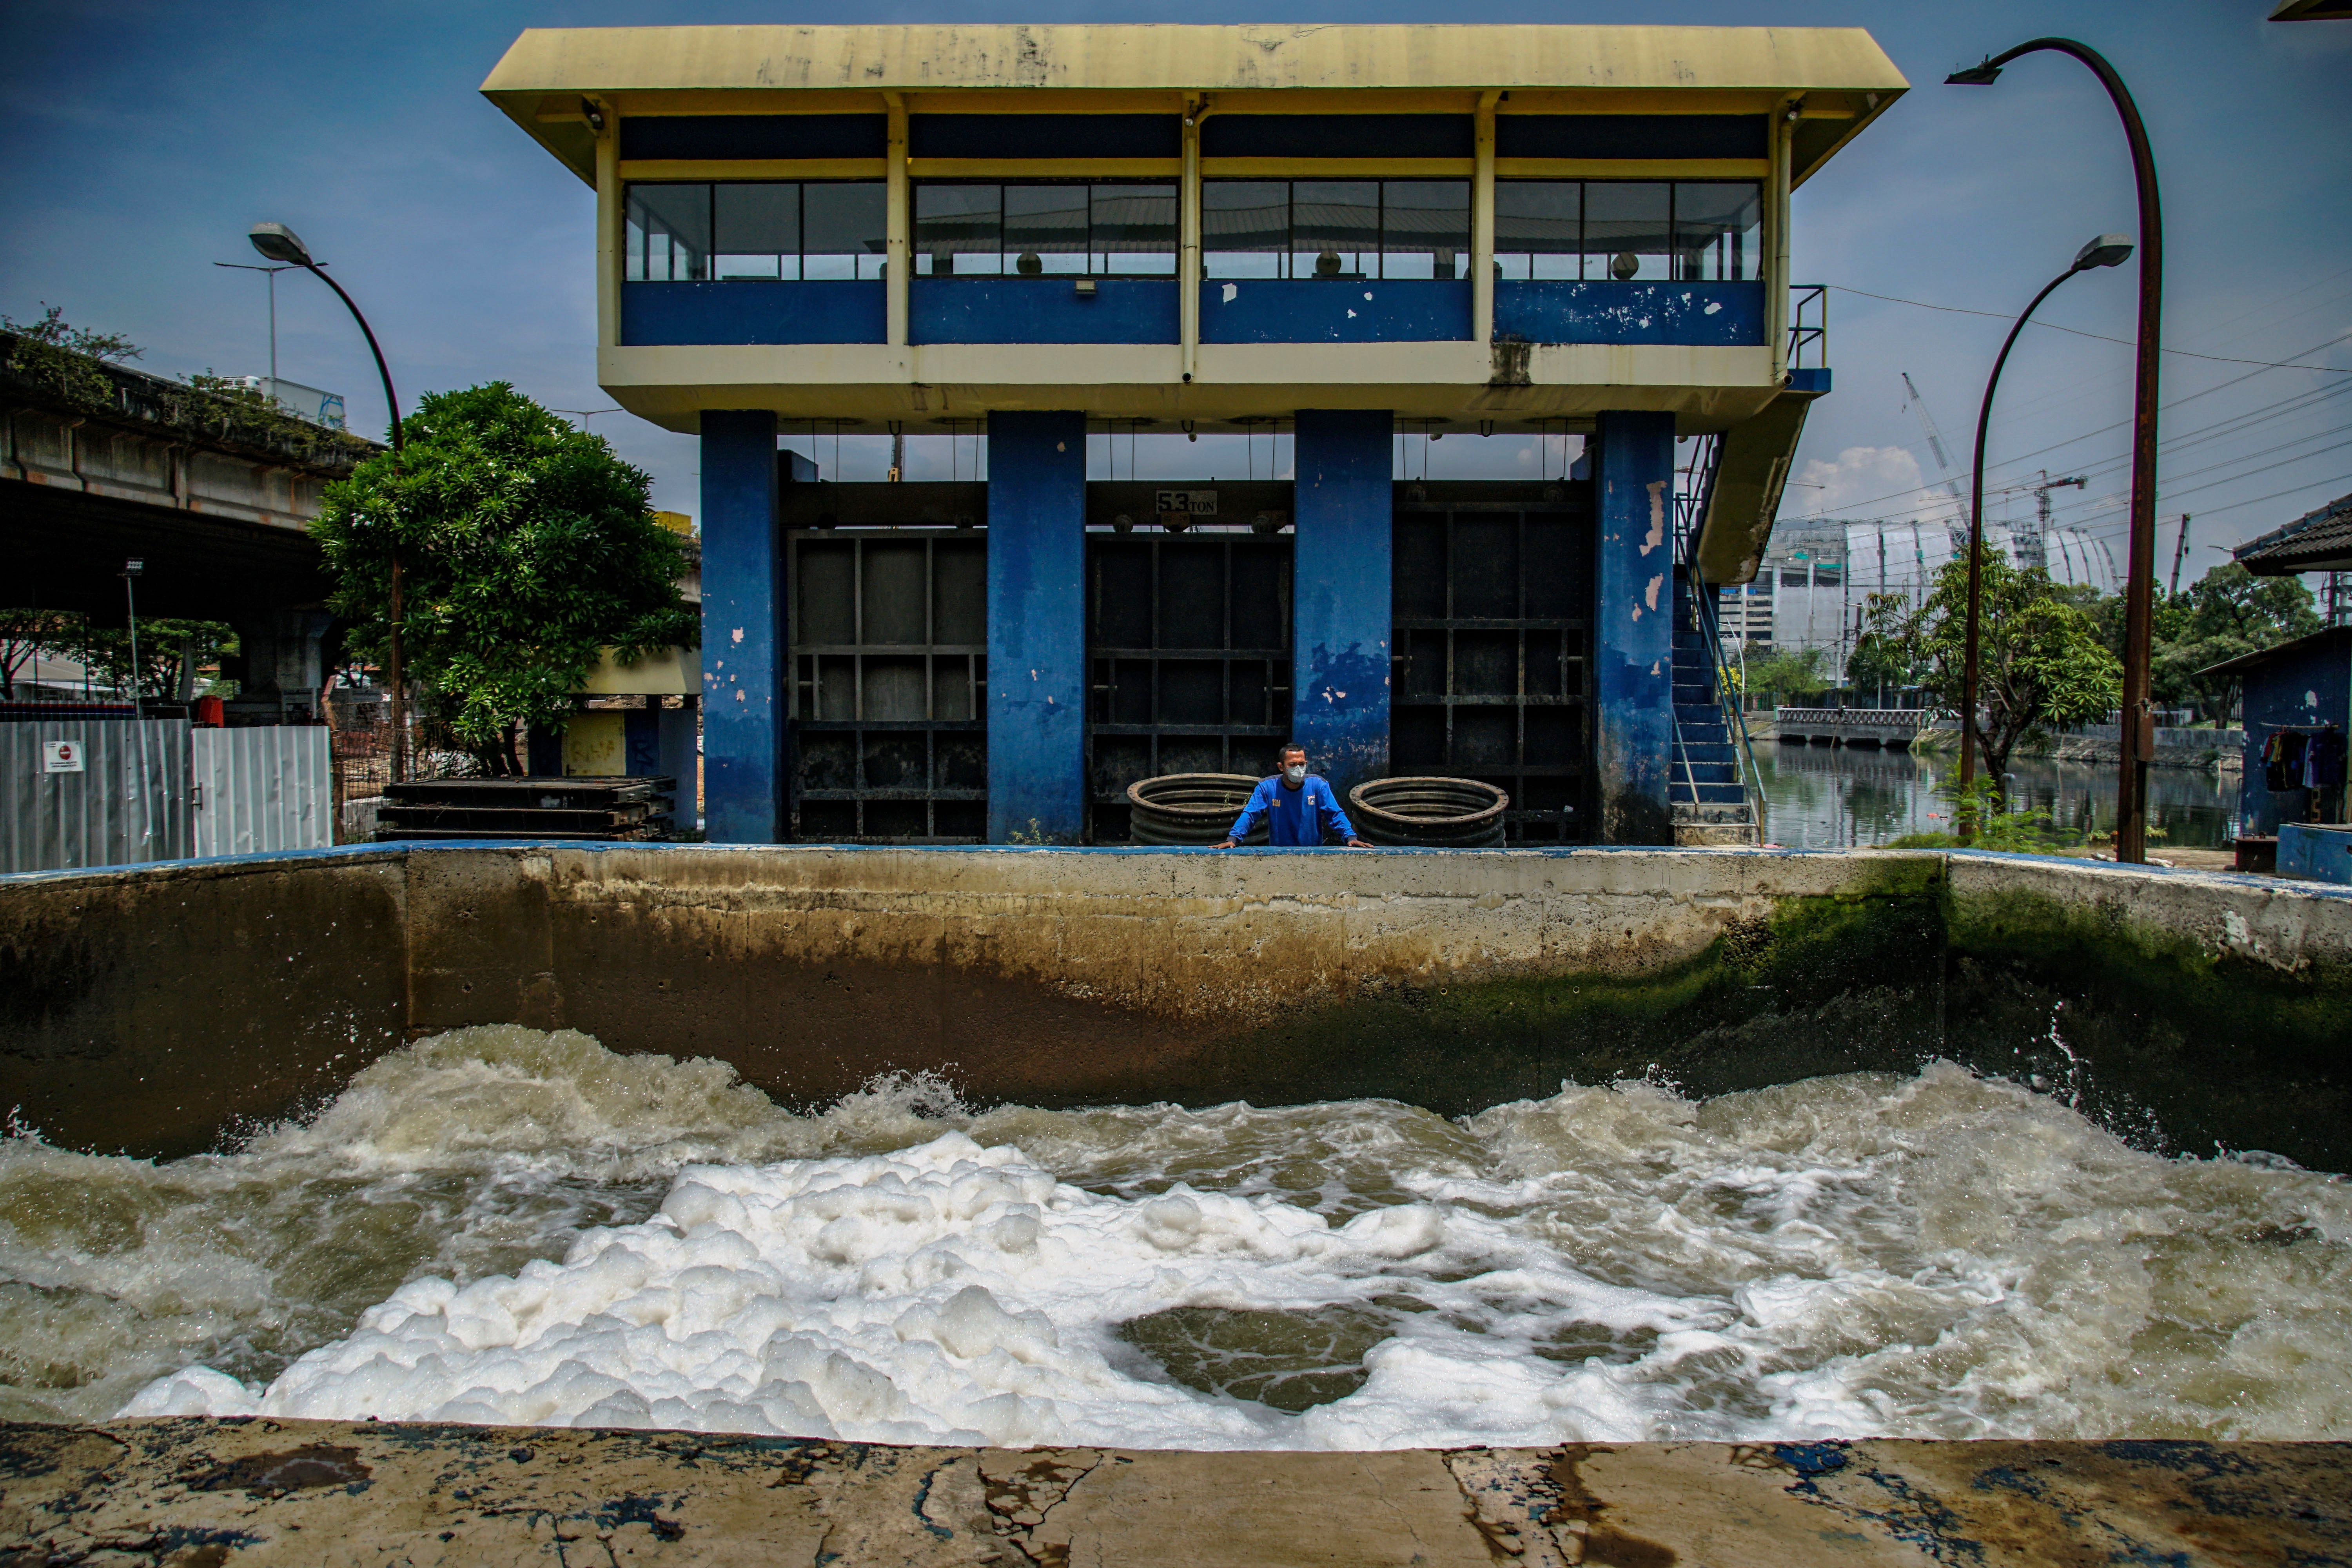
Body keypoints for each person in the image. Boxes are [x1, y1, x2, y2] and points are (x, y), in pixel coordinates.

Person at [1215, 743, 1371, 849]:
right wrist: (1233, 839)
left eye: (1302, 764)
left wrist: (1350, 837)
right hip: (1279, 855)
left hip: (1314, 855)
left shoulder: (1318, 785)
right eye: (1292, 765)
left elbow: (1335, 813)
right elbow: (1250, 814)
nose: (1299, 769)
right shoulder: (1267, 787)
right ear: (1281, 767)